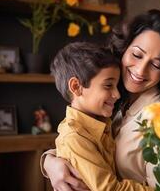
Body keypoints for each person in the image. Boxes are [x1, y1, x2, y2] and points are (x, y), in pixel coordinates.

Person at [41, 9, 160, 191]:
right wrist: (50, 161)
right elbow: (84, 140)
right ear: (124, 48)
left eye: (156, 64)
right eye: (137, 55)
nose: (141, 70)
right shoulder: (111, 99)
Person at [50, 41, 153, 191]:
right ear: (76, 87)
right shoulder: (75, 137)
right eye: (108, 85)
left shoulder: (102, 122)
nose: (117, 94)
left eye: (117, 86)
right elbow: (110, 189)